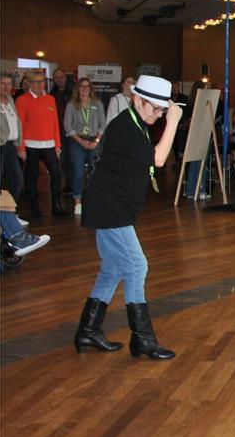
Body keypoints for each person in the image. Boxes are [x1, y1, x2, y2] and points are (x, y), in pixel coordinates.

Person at [74, 75, 183, 359]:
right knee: (136, 266)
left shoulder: (136, 123)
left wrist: (164, 118)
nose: (159, 114)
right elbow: (159, 159)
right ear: (137, 100)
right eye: (155, 109)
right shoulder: (125, 127)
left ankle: (88, 330)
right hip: (111, 208)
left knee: (112, 268)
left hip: (112, 205)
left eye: (162, 110)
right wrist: (172, 122)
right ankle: (143, 339)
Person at [16, 70, 70, 219]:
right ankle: (34, 209)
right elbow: (19, 125)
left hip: (49, 145)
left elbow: (55, 124)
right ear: (30, 84)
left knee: (57, 174)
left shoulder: (50, 99)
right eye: (36, 82)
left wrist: (57, 144)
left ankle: (57, 206)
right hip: (31, 145)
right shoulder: (22, 100)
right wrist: (20, 148)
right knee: (32, 177)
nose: (40, 85)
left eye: (42, 82)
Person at [64, 78, 106, 215]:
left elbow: (102, 125)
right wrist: (81, 141)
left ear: (91, 88)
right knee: (78, 172)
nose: (84, 89)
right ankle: (77, 201)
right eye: (81, 86)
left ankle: (95, 199)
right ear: (77, 88)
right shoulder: (71, 105)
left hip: (94, 141)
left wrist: (96, 141)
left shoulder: (97, 104)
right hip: (77, 141)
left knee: (95, 172)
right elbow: (68, 127)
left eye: (87, 86)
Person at [0, 74, 25, 206]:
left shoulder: (10, 100)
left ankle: (10, 213)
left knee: (17, 180)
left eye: (9, 84)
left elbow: (17, 123)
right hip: (0, 145)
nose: (6, 87)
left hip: (10, 146)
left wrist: (19, 145)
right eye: (3, 83)